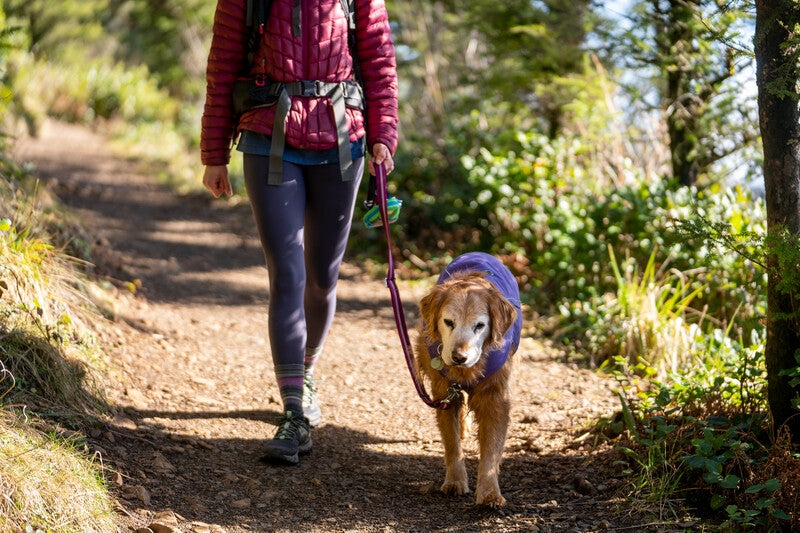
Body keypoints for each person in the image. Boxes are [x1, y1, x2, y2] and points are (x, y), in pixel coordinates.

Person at [200, 0, 398, 465]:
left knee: (323, 276)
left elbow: (380, 63)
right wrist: (214, 152)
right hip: (269, 137)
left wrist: (383, 137)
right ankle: (293, 411)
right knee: (286, 272)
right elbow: (223, 64)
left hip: (342, 138)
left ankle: (304, 373)